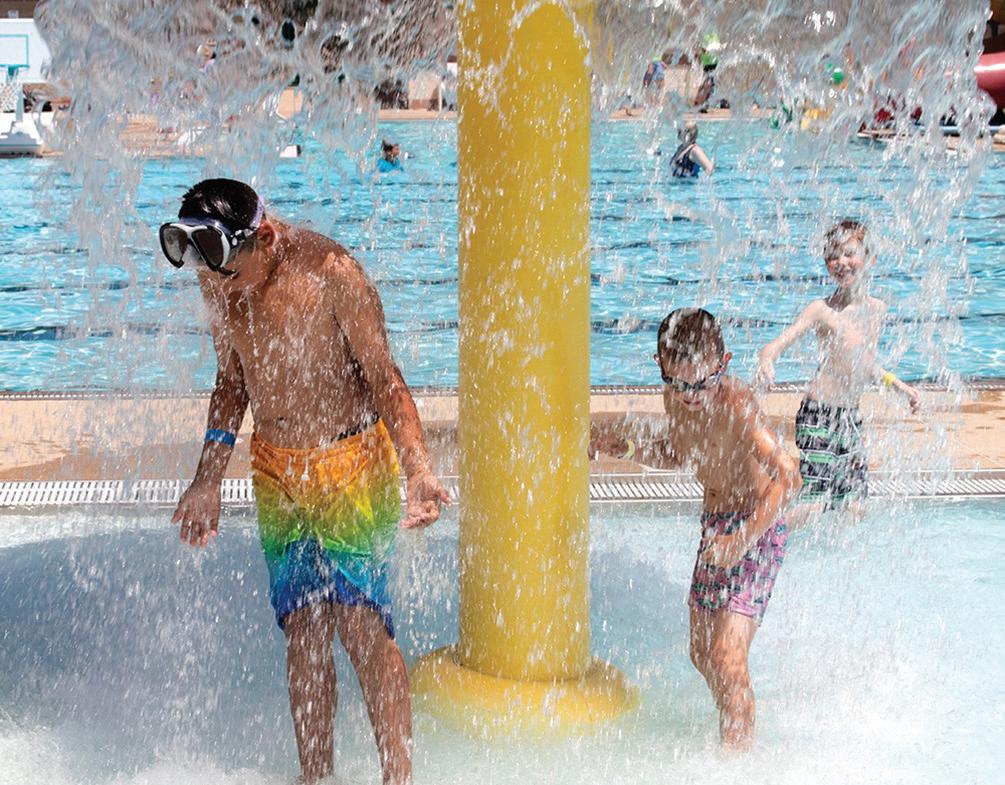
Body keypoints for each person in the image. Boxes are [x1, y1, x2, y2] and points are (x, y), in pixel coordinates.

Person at [161, 178, 449, 785]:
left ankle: (399, 778)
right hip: (277, 471)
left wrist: (418, 467)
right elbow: (231, 382)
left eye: (226, 273)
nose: (216, 289)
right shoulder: (218, 277)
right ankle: (315, 777)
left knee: (361, 626)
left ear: (264, 238)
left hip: (350, 465)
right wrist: (207, 480)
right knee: (304, 630)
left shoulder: (334, 275)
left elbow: (385, 377)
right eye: (208, 275)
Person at [590, 308, 801, 747]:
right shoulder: (676, 396)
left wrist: (741, 541)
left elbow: (789, 478)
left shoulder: (736, 404)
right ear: (661, 366)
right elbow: (678, 452)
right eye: (678, 384)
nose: (690, 396)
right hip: (716, 529)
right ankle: (735, 727)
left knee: (728, 660)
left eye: (702, 383)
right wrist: (625, 448)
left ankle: (737, 757)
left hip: (755, 527)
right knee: (702, 652)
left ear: (723, 365)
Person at [756, 219, 921, 527]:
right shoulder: (822, 310)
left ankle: (833, 554)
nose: (841, 262)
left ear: (870, 259)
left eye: (849, 253)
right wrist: (767, 361)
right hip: (818, 415)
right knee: (814, 500)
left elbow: (865, 365)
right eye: (833, 256)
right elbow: (777, 344)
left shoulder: (877, 310)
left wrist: (900, 387)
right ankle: (767, 537)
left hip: (850, 417)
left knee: (854, 504)